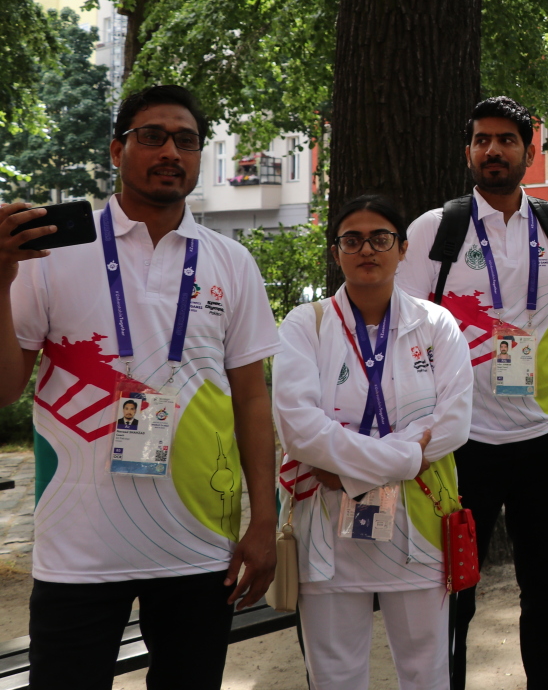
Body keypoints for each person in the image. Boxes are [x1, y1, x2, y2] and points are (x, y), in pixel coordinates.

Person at [0, 84, 279, 689]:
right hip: (78, 551)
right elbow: (4, 389)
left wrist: (263, 521)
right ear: (115, 150)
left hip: (199, 547)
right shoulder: (52, 254)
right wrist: (0, 281)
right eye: (151, 137)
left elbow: (253, 398)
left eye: (186, 140)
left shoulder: (230, 262)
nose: (170, 152)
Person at [395, 95, 548, 690]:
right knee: (455, 585)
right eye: (483, 139)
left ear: (528, 152)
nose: (494, 149)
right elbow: (404, 332)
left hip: (544, 440)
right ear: (468, 152)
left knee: (547, 582)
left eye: (507, 139)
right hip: (464, 446)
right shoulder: (435, 230)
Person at [274, 195, 473, 690]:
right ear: (335, 250)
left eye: (381, 238)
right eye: (352, 239)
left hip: (419, 526)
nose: (368, 249)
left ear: (403, 249)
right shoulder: (306, 324)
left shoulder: (435, 324)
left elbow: (454, 423)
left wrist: (345, 466)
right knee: (335, 675)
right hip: (325, 530)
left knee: (427, 671)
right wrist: (408, 454)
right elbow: (299, 428)